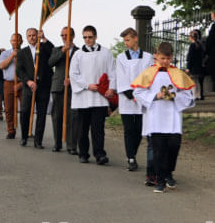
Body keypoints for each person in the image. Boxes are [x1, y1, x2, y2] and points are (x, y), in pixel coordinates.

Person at [132, 42, 196, 193]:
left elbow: (188, 95)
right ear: (156, 56)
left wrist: (175, 96)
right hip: (155, 117)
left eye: (168, 58)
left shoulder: (179, 74)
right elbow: (137, 93)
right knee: (158, 150)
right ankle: (160, 181)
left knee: (173, 147)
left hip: (173, 117)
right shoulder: (148, 73)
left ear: (172, 57)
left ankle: (168, 172)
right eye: (162, 58)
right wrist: (155, 95)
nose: (165, 61)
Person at [69, 25, 116, 165]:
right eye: (85, 37)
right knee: (82, 128)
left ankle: (100, 154)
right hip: (83, 96)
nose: (87, 40)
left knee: (98, 128)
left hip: (100, 97)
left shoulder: (106, 53)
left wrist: (111, 89)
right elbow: (73, 74)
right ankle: (83, 153)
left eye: (90, 37)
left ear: (95, 36)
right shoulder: (78, 54)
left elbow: (112, 72)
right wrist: (86, 85)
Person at [115, 27, 154, 171]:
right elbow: (121, 77)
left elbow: (149, 75)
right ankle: (130, 157)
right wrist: (131, 94)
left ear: (135, 38)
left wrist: (141, 94)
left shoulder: (148, 57)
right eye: (124, 40)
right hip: (127, 98)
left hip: (142, 98)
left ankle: (133, 153)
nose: (125, 43)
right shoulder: (121, 58)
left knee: (138, 130)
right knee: (129, 129)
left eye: (128, 40)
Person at [15, 28, 54, 148]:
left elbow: (53, 51)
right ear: (26, 38)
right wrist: (28, 81)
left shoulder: (44, 47)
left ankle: (38, 140)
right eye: (29, 35)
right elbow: (19, 70)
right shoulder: (22, 52)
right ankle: (24, 137)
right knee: (25, 111)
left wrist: (44, 38)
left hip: (43, 86)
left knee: (41, 114)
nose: (32, 37)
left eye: (34, 35)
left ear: (37, 35)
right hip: (28, 87)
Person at [48, 27, 80, 154]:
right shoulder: (56, 49)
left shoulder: (79, 51)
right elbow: (50, 63)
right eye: (62, 35)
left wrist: (73, 80)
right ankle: (57, 143)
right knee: (57, 116)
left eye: (67, 35)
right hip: (58, 87)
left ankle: (71, 145)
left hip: (74, 88)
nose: (64, 37)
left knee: (73, 116)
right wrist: (63, 50)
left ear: (73, 35)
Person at [0, 33, 23, 139]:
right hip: (8, 82)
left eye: (17, 40)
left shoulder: (25, 53)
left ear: (21, 41)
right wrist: (12, 55)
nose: (15, 42)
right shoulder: (5, 53)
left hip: (22, 83)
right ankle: (11, 130)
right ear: (10, 41)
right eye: (13, 40)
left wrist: (21, 83)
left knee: (25, 108)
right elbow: (2, 66)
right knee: (8, 108)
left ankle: (26, 130)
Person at [185, 29, 207, 100]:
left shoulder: (192, 45)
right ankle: (199, 95)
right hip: (199, 67)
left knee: (194, 82)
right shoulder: (200, 45)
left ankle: (195, 95)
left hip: (193, 67)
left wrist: (188, 67)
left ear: (191, 37)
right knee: (198, 82)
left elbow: (190, 58)